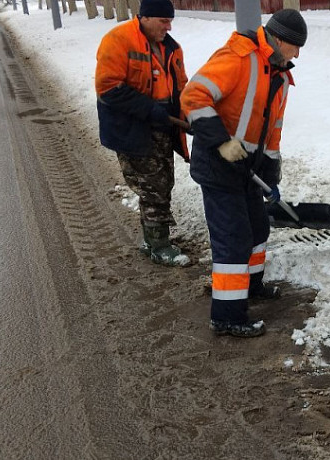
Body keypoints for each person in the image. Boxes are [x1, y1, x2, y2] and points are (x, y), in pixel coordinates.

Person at [180, 9, 307, 337]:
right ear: (280, 40)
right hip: (218, 165)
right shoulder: (238, 57)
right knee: (233, 240)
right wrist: (222, 142)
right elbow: (193, 96)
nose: (298, 54)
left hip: (247, 167)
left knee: (258, 228)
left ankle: (251, 286)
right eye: (296, 46)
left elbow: (272, 129)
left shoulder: (279, 75)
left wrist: (271, 171)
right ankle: (226, 315)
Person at [95, 0, 191, 266]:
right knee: (153, 188)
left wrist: (191, 115)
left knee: (163, 183)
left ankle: (151, 239)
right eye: (163, 21)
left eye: (170, 21)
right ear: (145, 17)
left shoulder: (172, 48)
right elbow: (108, 88)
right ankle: (159, 245)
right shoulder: (119, 40)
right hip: (132, 130)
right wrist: (149, 109)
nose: (169, 27)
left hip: (162, 128)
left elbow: (181, 87)